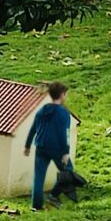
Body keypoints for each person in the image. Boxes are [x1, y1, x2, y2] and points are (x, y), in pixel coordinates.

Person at [24, 81, 74, 210]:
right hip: (57, 148)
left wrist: (28, 145)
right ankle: (53, 195)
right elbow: (64, 134)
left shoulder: (42, 110)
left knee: (38, 178)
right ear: (62, 95)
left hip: (40, 147)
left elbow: (33, 128)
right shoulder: (63, 113)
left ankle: (36, 206)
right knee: (68, 171)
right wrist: (65, 152)